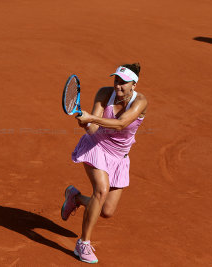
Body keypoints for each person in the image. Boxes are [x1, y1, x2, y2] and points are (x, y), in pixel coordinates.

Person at [61, 63, 148, 264]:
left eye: (123, 83)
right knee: (101, 190)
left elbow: (121, 123)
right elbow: (93, 128)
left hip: (119, 157)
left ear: (134, 84)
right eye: (116, 81)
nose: (118, 86)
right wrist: (86, 123)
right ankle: (83, 243)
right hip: (97, 147)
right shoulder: (104, 93)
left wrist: (92, 118)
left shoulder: (141, 102)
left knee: (107, 211)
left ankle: (75, 198)